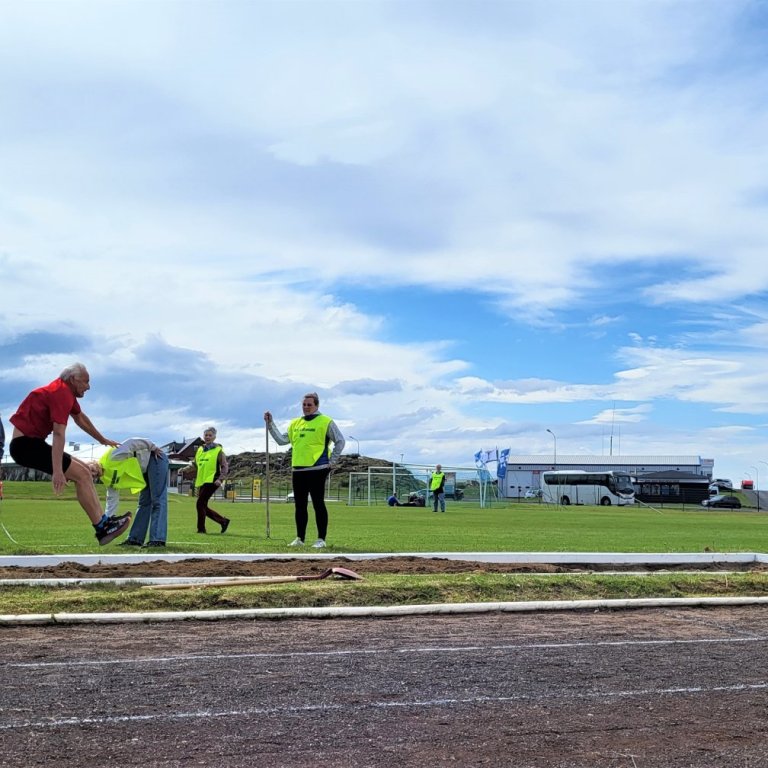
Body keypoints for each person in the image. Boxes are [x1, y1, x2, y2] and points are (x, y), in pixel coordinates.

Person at [7, 363, 130, 545]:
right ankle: (102, 527)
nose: (88, 387)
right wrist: (58, 471)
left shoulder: (65, 392)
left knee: (85, 472)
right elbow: (58, 433)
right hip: (25, 446)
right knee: (81, 474)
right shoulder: (61, 393)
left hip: (30, 444)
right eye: (86, 382)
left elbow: (81, 418)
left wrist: (102, 439)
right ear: (73, 379)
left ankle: (104, 522)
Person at [264, 392, 345, 548]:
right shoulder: (295, 423)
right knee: (300, 506)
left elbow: (340, 441)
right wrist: (270, 424)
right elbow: (281, 440)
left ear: (316, 405)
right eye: (304, 405)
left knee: (318, 504)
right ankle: (300, 538)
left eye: (310, 405)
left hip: (318, 469)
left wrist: (331, 462)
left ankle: (321, 539)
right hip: (298, 470)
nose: (306, 407)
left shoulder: (325, 421)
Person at [89, 438, 169, 548]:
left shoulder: (112, 457)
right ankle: (135, 539)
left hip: (155, 457)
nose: (93, 474)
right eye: (91, 476)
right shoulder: (106, 479)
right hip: (144, 470)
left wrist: (153, 447)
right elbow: (112, 499)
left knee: (157, 500)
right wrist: (107, 522)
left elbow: (131, 443)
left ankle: (157, 539)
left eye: (91, 469)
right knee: (144, 503)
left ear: (93, 463)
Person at [194, 426, 230, 534]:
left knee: (200, 503)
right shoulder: (200, 449)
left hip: (214, 480)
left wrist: (221, 479)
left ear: (214, 437)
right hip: (203, 480)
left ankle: (201, 529)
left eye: (210, 435)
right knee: (202, 505)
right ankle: (223, 521)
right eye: (206, 435)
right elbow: (194, 464)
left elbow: (224, 466)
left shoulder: (218, 450)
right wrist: (184, 469)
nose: (208, 437)